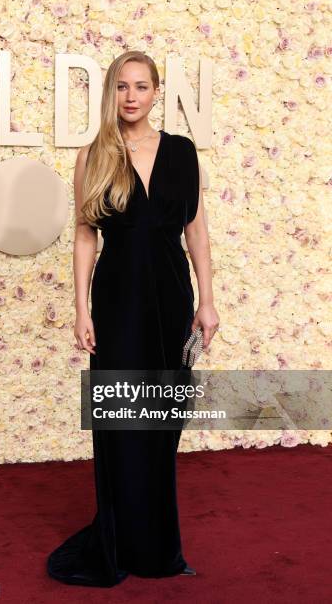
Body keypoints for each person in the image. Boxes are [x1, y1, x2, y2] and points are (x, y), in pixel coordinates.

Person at [47, 50, 220, 587]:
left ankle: (156, 543)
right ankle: (120, 543)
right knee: (122, 421)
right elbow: (84, 235)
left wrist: (207, 299)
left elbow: (195, 231)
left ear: (155, 92)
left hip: (171, 296)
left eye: (141, 87)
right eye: (122, 86)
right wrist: (80, 307)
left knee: (164, 419)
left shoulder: (182, 152)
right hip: (118, 299)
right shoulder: (93, 155)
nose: (131, 96)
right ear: (111, 92)